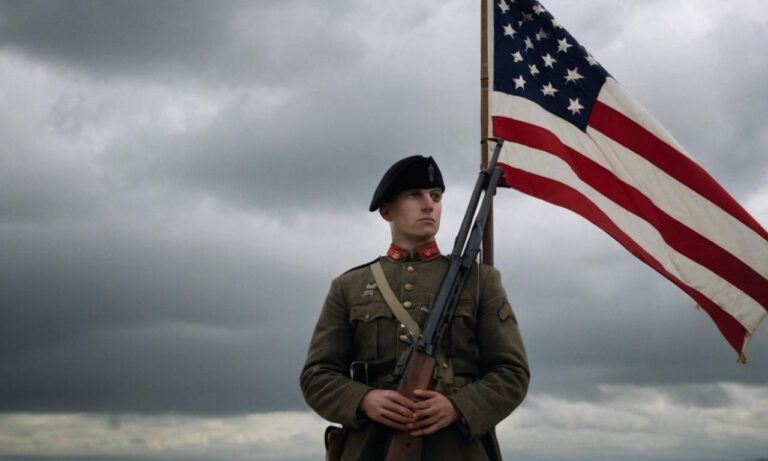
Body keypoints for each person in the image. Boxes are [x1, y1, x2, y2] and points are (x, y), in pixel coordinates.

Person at [300, 155, 529, 460]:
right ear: (386, 211)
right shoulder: (349, 286)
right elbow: (317, 375)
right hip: (372, 447)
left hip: (457, 448)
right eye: (414, 195)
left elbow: (512, 372)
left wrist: (458, 406)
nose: (428, 204)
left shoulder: (479, 281)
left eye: (435, 197)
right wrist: (365, 399)